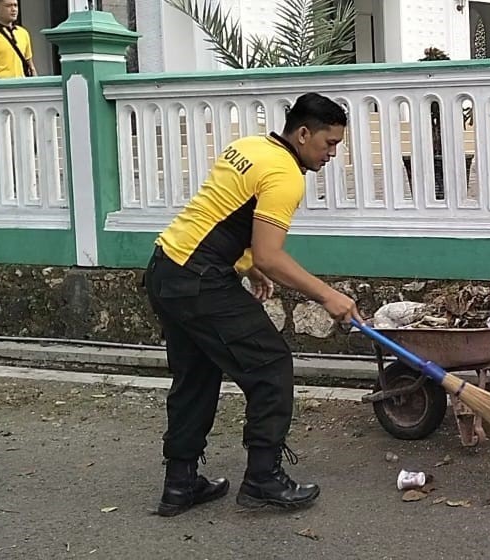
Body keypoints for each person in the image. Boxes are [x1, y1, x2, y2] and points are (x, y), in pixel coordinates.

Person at [144, 93, 362, 516]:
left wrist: (244, 264)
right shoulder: (286, 174)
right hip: (199, 280)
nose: (333, 153)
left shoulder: (249, 147)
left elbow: (222, 214)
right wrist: (328, 295)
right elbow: (271, 255)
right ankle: (263, 478)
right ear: (302, 134)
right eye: (329, 143)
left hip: (165, 268)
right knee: (271, 365)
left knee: (196, 374)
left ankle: (179, 485)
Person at [0, 0, 35, 79]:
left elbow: (30, 65)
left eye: (16, 5)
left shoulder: (23, 32)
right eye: (8, 6)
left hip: (22, 86)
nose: (14, 9)